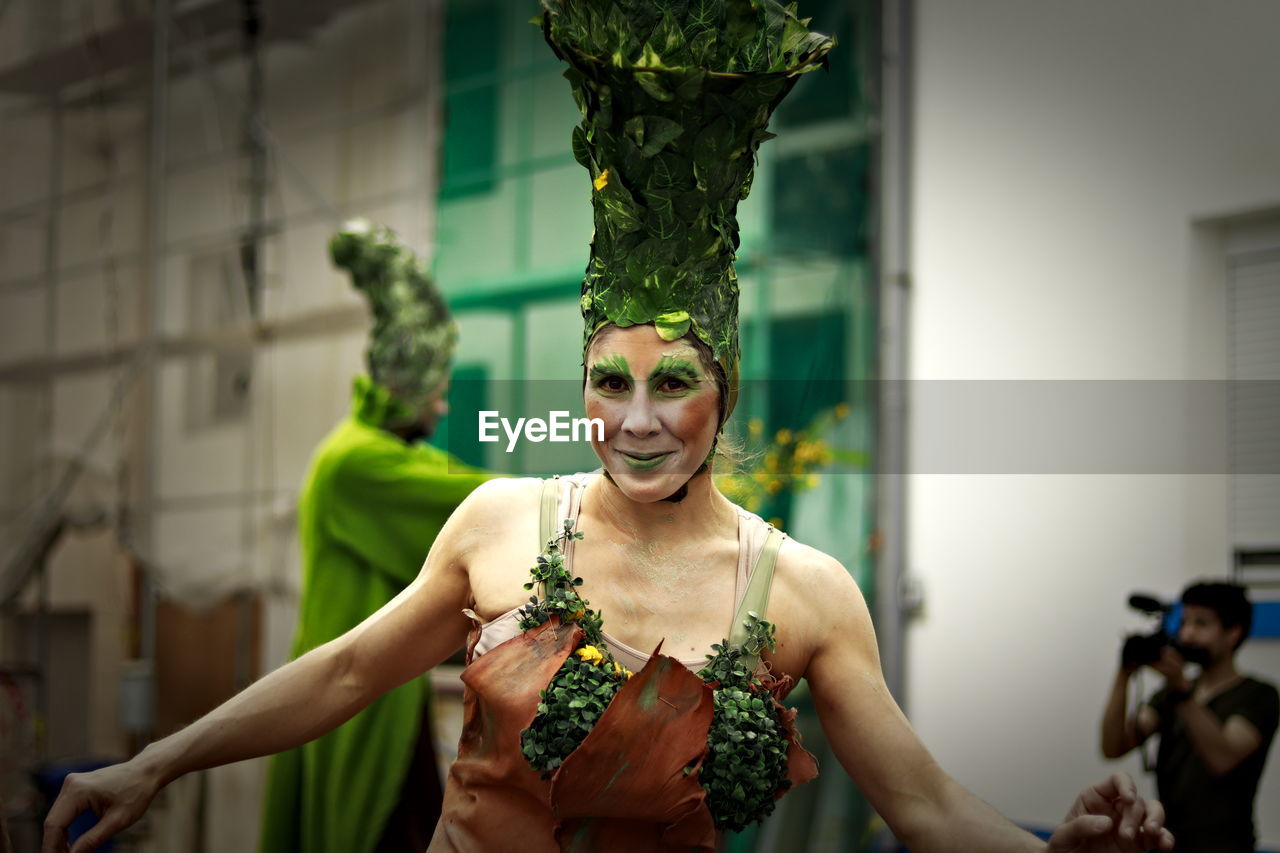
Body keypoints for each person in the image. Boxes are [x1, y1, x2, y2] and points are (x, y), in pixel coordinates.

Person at [42, 2, 1174, 851]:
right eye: (607, 381)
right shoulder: (496, 523)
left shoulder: (806, 593)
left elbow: (921, 804)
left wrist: (1047, 850)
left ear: (721, 391)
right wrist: (155, 762)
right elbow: (342, 673)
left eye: (670, 382)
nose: (634, 423)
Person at [257, 221, 493, 853]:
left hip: (375, 698)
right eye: (440, 391)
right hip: (356, 705)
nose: (442, 410)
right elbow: (494, 504)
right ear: (410, 379)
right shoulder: (361, 464)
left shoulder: (354, 454)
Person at [1101, 581, 1279, 852]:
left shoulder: (1258, 695)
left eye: (1201, 624)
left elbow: (1223, 757)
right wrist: (1123, 674)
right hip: (1166, 841)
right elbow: (1113, 746)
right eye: (1184, 622)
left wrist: (1181, 689)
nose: (1186, 634)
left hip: (1227, 846)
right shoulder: (1172, 694)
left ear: (1233, 633)